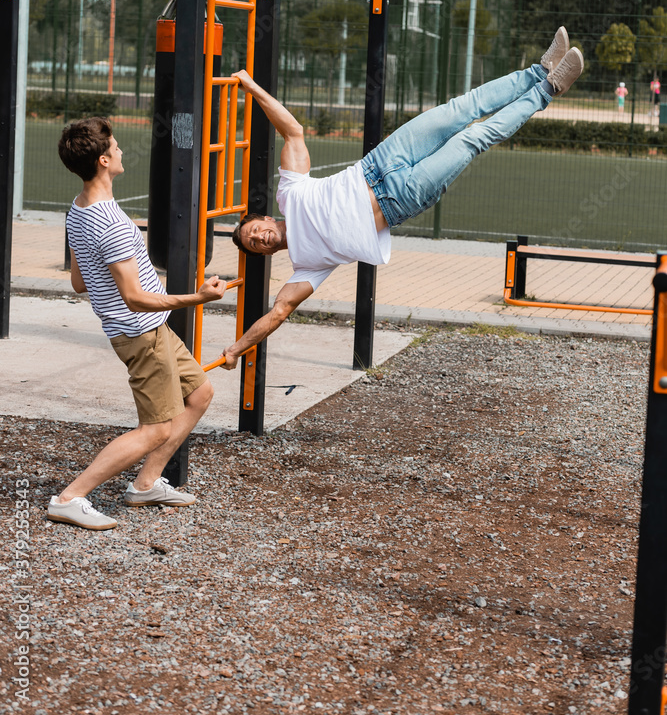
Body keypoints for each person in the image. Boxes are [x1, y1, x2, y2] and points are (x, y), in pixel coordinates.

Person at [220, 28, 583, 370]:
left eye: (254, 231)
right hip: (401, 199)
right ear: (267, 254)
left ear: (265, 219)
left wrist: (252, 87)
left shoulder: (289, 192)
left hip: (381, 161)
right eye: (256, 246)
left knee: (462, 109)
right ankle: (547, 89)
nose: (258, 239)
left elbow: (292, 132)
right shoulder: (306, 266)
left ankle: (538, 69)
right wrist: (236, 348)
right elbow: (279, 312)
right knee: (473, 139)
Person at [51, 117, 226, 530]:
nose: (123, 151)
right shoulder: (108, 222)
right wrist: (199, 297)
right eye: (117, 146)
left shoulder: (79, 209)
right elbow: (135, 298)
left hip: (152, 329)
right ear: (104, 159)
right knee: (156, 429)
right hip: (141, 333)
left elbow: (79, 282)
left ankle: (146, 484)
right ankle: (70, 497)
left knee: (199, 393)